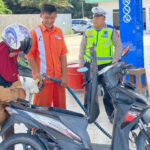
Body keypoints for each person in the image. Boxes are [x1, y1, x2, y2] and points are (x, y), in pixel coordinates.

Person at [79, 7, 122, 123]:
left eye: (97, 17)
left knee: (108, 91)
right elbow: (82, 47)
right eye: (94, 17)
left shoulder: (110, 31)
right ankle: (88, 114)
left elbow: (118, 46)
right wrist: (81, 62)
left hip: (106, 67)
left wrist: (114, 61)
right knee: (89, 91)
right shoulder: (88, 30)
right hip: (90, 65)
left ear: (103, 19)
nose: (94, 19)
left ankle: (111, 114)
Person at [26, 4, 68, 109]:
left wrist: (65, 76)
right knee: (41, 111)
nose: (49, 20)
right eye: (47, 18)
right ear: (41, 15)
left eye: (52, 18)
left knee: (61, 110)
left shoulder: (59, 32)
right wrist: (36, 74)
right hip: (43, 81)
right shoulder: (34, 33)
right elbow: (30, 57)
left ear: (56, 16)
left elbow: (63, 55)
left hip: (58, 80)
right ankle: (37, 127)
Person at [0, 23, 32, 150]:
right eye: (17, 51)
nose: (18, 55)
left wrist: (33, 83)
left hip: (6, 99)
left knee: (8, 125)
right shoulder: (2, 54)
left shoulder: (11, 56)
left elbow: (22, 71)